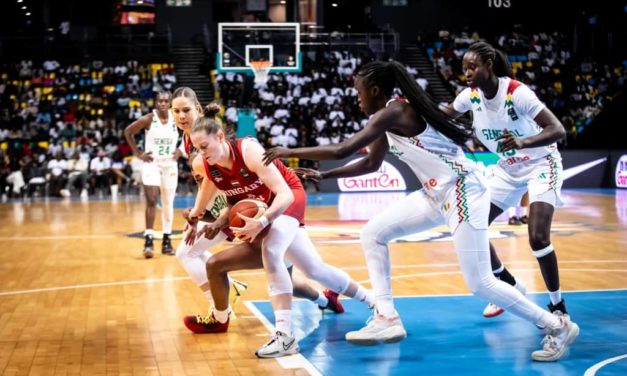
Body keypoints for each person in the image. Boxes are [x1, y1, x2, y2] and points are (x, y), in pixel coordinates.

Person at [263, 60, 578, 362]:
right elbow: (371, 162)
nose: (357, 100)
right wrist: (325, 175)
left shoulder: (396, 110)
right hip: (436, 193)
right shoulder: (389, 118)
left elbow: (342, 149)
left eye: (359, 92)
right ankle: (386, 316)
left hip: (462, 189)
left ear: (374, 89)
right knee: (373, 233)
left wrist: (288, 151)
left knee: (480, 284)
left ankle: (557, 326)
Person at [187, 104, 374, 358]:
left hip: (288, 197)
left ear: (220, 137)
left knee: (272, 251)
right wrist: (201, 220)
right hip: (266, 210)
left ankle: (285, 337)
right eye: (197, 148)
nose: (201, 153)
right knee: (314, 269)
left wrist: (262, 222)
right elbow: (214, 199)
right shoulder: (209, 166)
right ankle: (375, 302)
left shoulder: (249, 150)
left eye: (204, 146)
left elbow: (284, 193)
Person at [169, 89, 344, 337]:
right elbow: (209, 185)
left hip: (244, 208)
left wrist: (205, 217)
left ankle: (221, 308)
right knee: (287, 278)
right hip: (237, 207)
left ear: (197, 107)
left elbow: (214, 186)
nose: (181, 115)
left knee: (191, 254)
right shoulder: (191, 140)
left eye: (186, 109)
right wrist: (198, 216)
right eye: (176, 111)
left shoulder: (205, 137)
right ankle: (326, 300)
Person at [441, 41, 569, 319]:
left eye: (472, 66)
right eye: (464, 68)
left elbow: (558, 129)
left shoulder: (517, 93)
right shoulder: (469, 96)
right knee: (471, 225)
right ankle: (509, 285)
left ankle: (558, 307)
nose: (468, 73)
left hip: (541, 163)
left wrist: (524, 141)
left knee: (537, 238)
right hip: (508, 170)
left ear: (489, 65)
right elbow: (442, 116)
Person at [124, 91, 180, 258]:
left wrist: (182, 150)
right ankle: (148, 240)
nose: (163, 103)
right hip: (151, 164)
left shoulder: (177, 118)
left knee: (168, 203)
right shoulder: (148, 119)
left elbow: (191, 133)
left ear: (170, 103)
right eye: (160, 101)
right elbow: (128, 132)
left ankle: (167, 241)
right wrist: (137, 153)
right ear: (156, 103)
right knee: (152, 199)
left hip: (170, 165)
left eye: (166, 101)